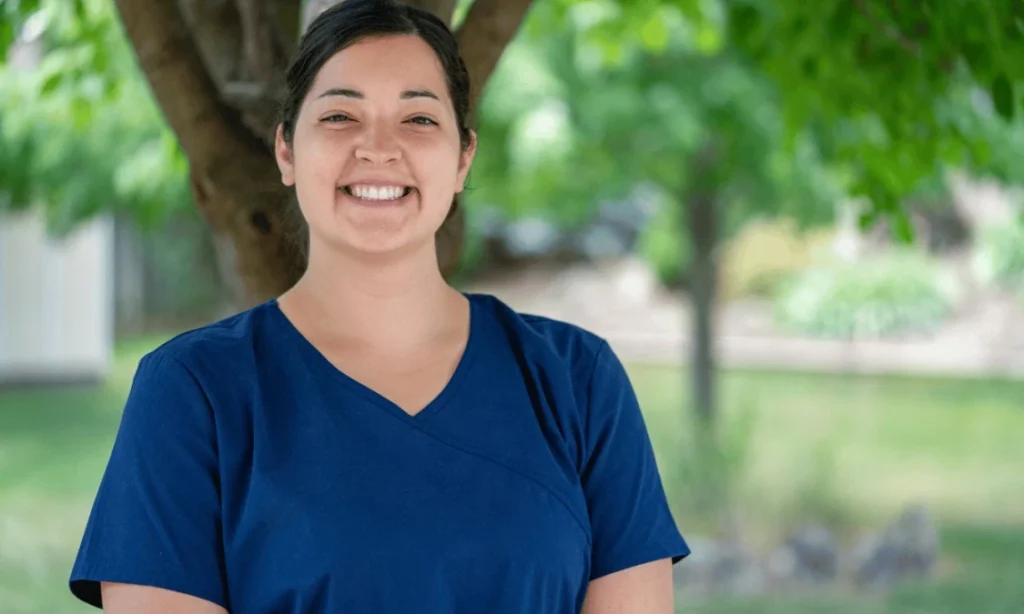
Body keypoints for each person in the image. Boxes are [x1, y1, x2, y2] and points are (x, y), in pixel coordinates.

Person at [67, 0, 690, 611]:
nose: (378, 147)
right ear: (286, 151)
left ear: (463, 158)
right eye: (340, 115)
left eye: (418, 119)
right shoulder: (192, 392)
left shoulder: (577, 381)